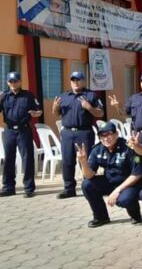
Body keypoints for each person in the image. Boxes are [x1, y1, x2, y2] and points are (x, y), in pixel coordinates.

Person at [77, 122, 142, 227]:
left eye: (109, 134)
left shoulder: (129, 147)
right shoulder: (97, 149)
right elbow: (89, 175)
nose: (106, 138)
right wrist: (83, 162)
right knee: (87, 184)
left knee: (123, 200)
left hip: (130, 184)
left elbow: (137, 174)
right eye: (102, 135)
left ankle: (135, 214)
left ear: (116, 134)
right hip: (111, 181)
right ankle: (101, 217)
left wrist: (117, 191)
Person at [52, 70, 104, 199]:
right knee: (67, 161)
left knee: (85, 161)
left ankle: (89, 187)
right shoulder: (63, 96)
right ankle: (69, 189)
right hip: (68, 133)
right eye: (73, 80)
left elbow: (100, 113)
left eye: (78, 79)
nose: (75, 82)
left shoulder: (91, 95)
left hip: (84, 132)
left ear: (83, 81)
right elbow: (56, 114)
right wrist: (55, 107)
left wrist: (89, 108)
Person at [0, 71, 42, 198]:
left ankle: (29, 188)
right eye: (11, 81)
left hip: (23, 130)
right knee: (9, 159)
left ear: (20, 81)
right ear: (7, 83)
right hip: (9, 131)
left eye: (16, 81)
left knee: (27, 159)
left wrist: (36, 114)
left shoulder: (28, 96)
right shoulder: (3, 96)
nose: (13, 83)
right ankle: (8, 187)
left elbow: (38, 111)